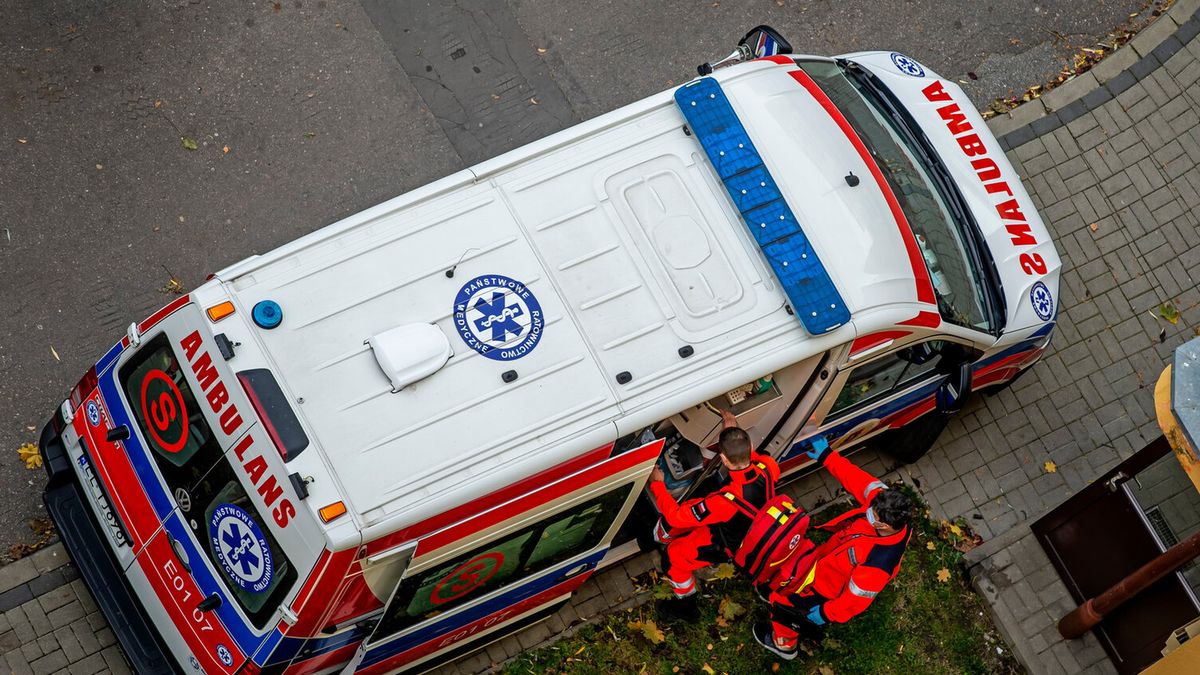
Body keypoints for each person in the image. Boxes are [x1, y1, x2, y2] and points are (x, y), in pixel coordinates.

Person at [753, 437, 914, 660]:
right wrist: (827, 456)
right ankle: (779, 591)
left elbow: (855, 599)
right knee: (789, 578)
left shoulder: (879, 562)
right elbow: (856, 479)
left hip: (825, 589)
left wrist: (825, 612)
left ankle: (784, 644)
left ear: (885, 525)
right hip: (826, 559)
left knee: (786, 611)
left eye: (872, 515)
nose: (868, 509)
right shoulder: (885, 504)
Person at [648, 410, 780, 620]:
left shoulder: (725, 502)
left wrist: (658, 486)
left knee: (673, 558)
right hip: (742, 527)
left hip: (723, 541)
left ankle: (686, 606)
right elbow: (751, 456)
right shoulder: (769, 468)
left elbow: (675, 517)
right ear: (750, 447)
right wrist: (732, 429)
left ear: (723, 459)